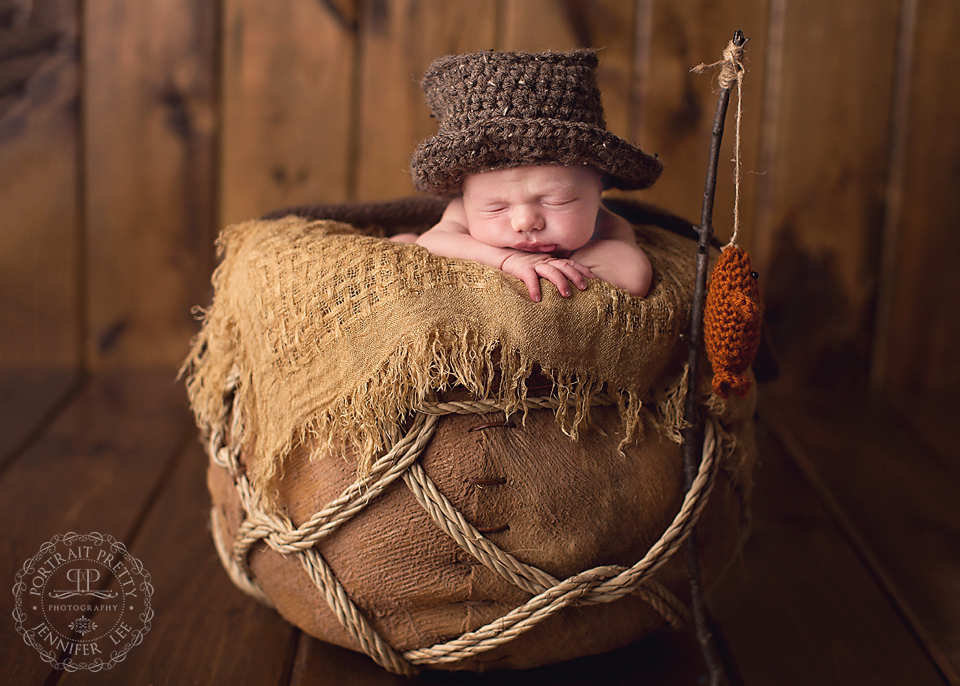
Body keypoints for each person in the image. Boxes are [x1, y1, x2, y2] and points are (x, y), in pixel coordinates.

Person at [397, 48, 664, 301]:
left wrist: (555, 268)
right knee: (403, 245)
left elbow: (634, 276)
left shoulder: (606, 225)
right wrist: (507, 261)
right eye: (496, 207)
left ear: (598, 189)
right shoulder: (462, 212)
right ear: (464, 196)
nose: (525, 222)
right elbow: (430, 243)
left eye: (555, 201)